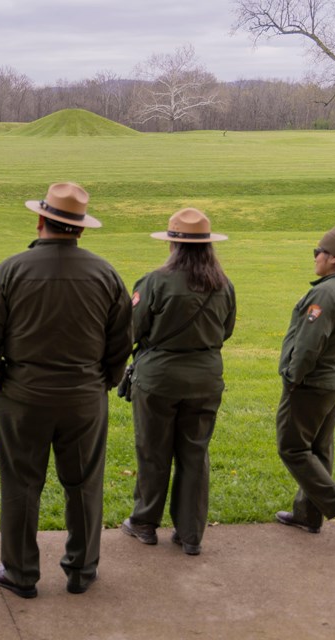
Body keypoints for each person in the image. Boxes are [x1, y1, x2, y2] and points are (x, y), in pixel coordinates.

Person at [0, 182, 132, 597]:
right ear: (79, 229)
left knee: (21, 484)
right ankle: (82, 569)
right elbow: (120, 343)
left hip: (23, 395)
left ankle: (21, 572)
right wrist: (103, 383)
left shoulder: (10, 270)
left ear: (41, 220)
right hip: (83, 397)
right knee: (83, 485)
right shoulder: (105, 274)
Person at [121, 208, 236, 556]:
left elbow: (131, 330)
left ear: (173, 244)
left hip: (158, 378)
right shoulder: (223, 285)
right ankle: (190, 534)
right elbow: (226, 331)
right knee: (195, 454)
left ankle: (144, 522)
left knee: (153, 451)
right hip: (205, 378)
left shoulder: (154, 281)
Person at [275, 223, 335, 547]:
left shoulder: (326, 292)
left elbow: (309, 344)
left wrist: (294, 376)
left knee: (292, 448)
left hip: (312, 383)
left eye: (317, 252)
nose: (315, 258)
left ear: (334, 258)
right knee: (319, 448)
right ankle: (308, 514)